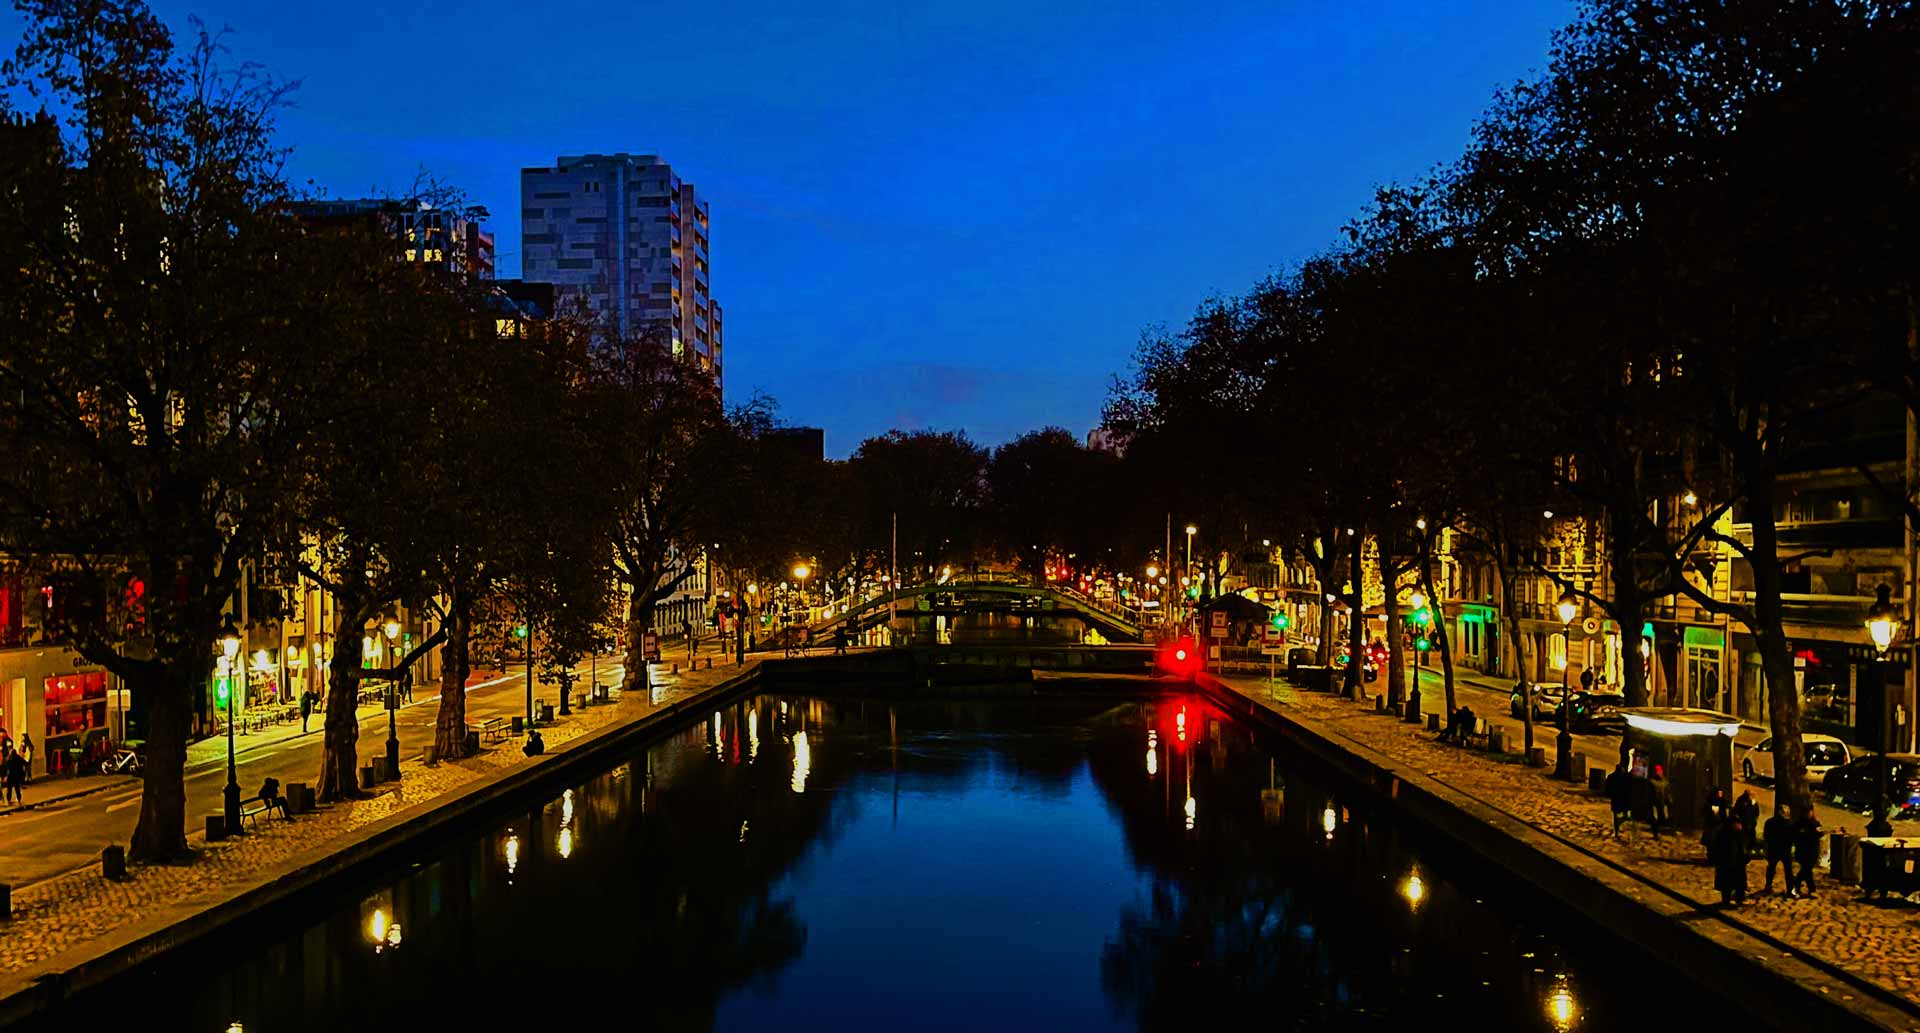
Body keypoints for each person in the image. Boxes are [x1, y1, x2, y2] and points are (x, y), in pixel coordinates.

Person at [1710, 816, 1749, 905]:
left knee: (1739, 883)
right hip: (1727, 863)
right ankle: (1726, 900)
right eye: (1737, 824)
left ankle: (1739, 898)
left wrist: (1745, 857)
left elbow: (1742, 848)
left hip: (1737, 863)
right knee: (1726, 884)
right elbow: (1717, 848)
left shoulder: (1738, 834)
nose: (1739, 826)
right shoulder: (1724, 834)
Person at [1761, 804, 1794, 894]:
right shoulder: (1789, 823)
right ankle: (1790, 889)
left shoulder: (1770, 822)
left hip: (1776, 849)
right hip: (1781, 849)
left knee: (1773, 868)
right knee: (1786, 870)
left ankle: (1769, 886)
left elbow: (1766, 836)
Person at [1791, 806, 1823, 898]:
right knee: (1807, 870)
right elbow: (1795, 835)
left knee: (1807, 869)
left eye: (1810, 812)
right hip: (1802, 850)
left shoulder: (1815, 823)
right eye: (1807, 812)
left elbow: (1819, 834)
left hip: (1812, 850)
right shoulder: (1799, 824)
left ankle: (1797, 882)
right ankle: (1810, 888)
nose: (1809, 814)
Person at [1604, 761, 1634, 836]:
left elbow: (1607, 789)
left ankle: (1616, 831)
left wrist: (1611, 795)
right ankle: (1619, 823)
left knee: (1615, 816)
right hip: (1624, 800)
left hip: (1616, 800)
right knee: (1626, 815)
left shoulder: (1611, 777)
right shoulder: (1625, 777)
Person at [1648, 764, 1672, 839]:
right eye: (1657, 771)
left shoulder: (1664, 781)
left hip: (1662, 802)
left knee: (1661, 817)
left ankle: (1658, 831)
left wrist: (1669, 799)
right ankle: (1655, 833)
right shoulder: (1652, 781)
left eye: (1660, 771)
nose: (1659, 772)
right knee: (1655, 818)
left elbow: (1667, 791)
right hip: (1655, 802)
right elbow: (1650, 792)